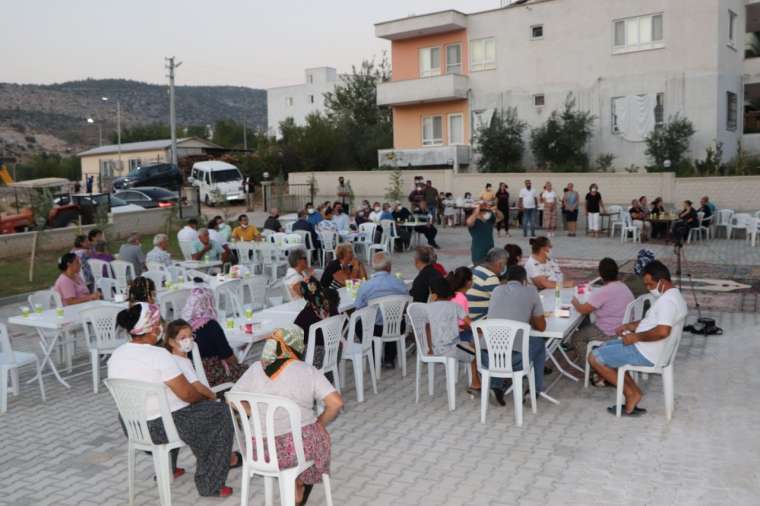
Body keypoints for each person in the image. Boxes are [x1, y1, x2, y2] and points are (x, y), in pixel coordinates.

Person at [108, 303, 236, 498]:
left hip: (133, 427)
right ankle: (211, 484)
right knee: (219, 413)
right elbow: (188, 394)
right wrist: (208, 400)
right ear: (150, 327)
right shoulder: (160, 355)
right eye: (158, 322)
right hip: (162, 429)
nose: (161, 326)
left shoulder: (116, 356)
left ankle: (169, 469)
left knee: (173, 409)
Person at [231, 325, 343, 505]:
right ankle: (298, 483)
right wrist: (320, 424)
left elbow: (232, 399)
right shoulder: (306, 370)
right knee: (319, 438)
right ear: (296, 346)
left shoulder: (255, 368)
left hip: (260, 450)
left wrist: (257, 413)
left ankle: (294, 482)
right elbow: (336, 403)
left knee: (303, 437)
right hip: (294, 451)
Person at [588, 261, 687, 416]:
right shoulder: (675, 295)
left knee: (594, 357)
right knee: (606, 347)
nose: (648, 289)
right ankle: (633, 392)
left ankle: (631, 394)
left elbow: (662, 331)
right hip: (650, 347)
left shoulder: (667, 302)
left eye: (650, 284)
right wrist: (629, 326)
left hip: (646, 351)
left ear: (662, 281)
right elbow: (654, 322)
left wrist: (635, 337)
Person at [486, 265, 547, 405]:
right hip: (514, 358)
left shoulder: (496, 290)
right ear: (524, 280)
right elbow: (542, 327)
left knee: (501, 344)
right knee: (538, 341)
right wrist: (530, 314)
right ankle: (534, 391)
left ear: (506, 279)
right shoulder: (531, 291)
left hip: (487, 356)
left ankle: (496, 386)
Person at [570, 258, 635, 372]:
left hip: (610, 332)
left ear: (600, 274)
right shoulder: (623, 286)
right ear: (617, 272)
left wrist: (574, 301)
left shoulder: (604, 291)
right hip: (625, 329)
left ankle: (593, 370)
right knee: (587, 325)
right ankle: (599, 357)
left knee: (577, 337)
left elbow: (583, 310)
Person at [181, 283, 248, 386]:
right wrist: (238, 366)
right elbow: (228, 356)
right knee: (250, 371)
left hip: (194, 380)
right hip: (215, 378)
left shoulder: (184, 327)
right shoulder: (211, 325)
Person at [353, 252, 409, 370]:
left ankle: (372, 356)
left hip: (375, 329)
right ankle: (389, 358)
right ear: (389, 266)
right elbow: (406, 304)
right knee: (393, 320)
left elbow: (358, 308)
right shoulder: (400, 283)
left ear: (374, 267)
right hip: (397, 327)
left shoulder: (366, 286)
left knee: (361, 324)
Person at [162, 320, 216, 401]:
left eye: (190, 336)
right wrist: (213, 396)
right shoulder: (181, 361)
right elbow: (197, 386)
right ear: (171, 342)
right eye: (183, 338)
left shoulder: (171, 358)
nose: (189, 340)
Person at [446, 267, 481, 392]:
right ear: (467, 282)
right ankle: (476, 380)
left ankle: (478, 376)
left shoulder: (451, 295)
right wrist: (476, 328)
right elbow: (462, 324)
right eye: (471, 279)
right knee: (479, 342)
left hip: (448, 333)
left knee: (478, 336)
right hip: (457, 335)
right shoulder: (461, 298)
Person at [294, 280, 340, 369]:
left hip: (314, 360)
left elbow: (295, 336)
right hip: (334, 355)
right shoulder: (334, 311)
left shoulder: (306, 313)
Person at [466, 248, 507, 322]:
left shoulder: (476, 268)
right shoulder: (490, 278)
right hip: (479, 320)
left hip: (468, 315)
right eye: (504, 264)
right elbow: (503, 302)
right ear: (499, 264)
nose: (504, 267)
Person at [466, 200, 501, 265]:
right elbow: (469, 222)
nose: (487, 213)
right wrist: (477, 210)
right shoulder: (474, 221)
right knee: (479, 268)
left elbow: (501, 217)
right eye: (485, 211)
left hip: (490, 249)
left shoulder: (489, 220)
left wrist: (496, 210)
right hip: (478, 251)